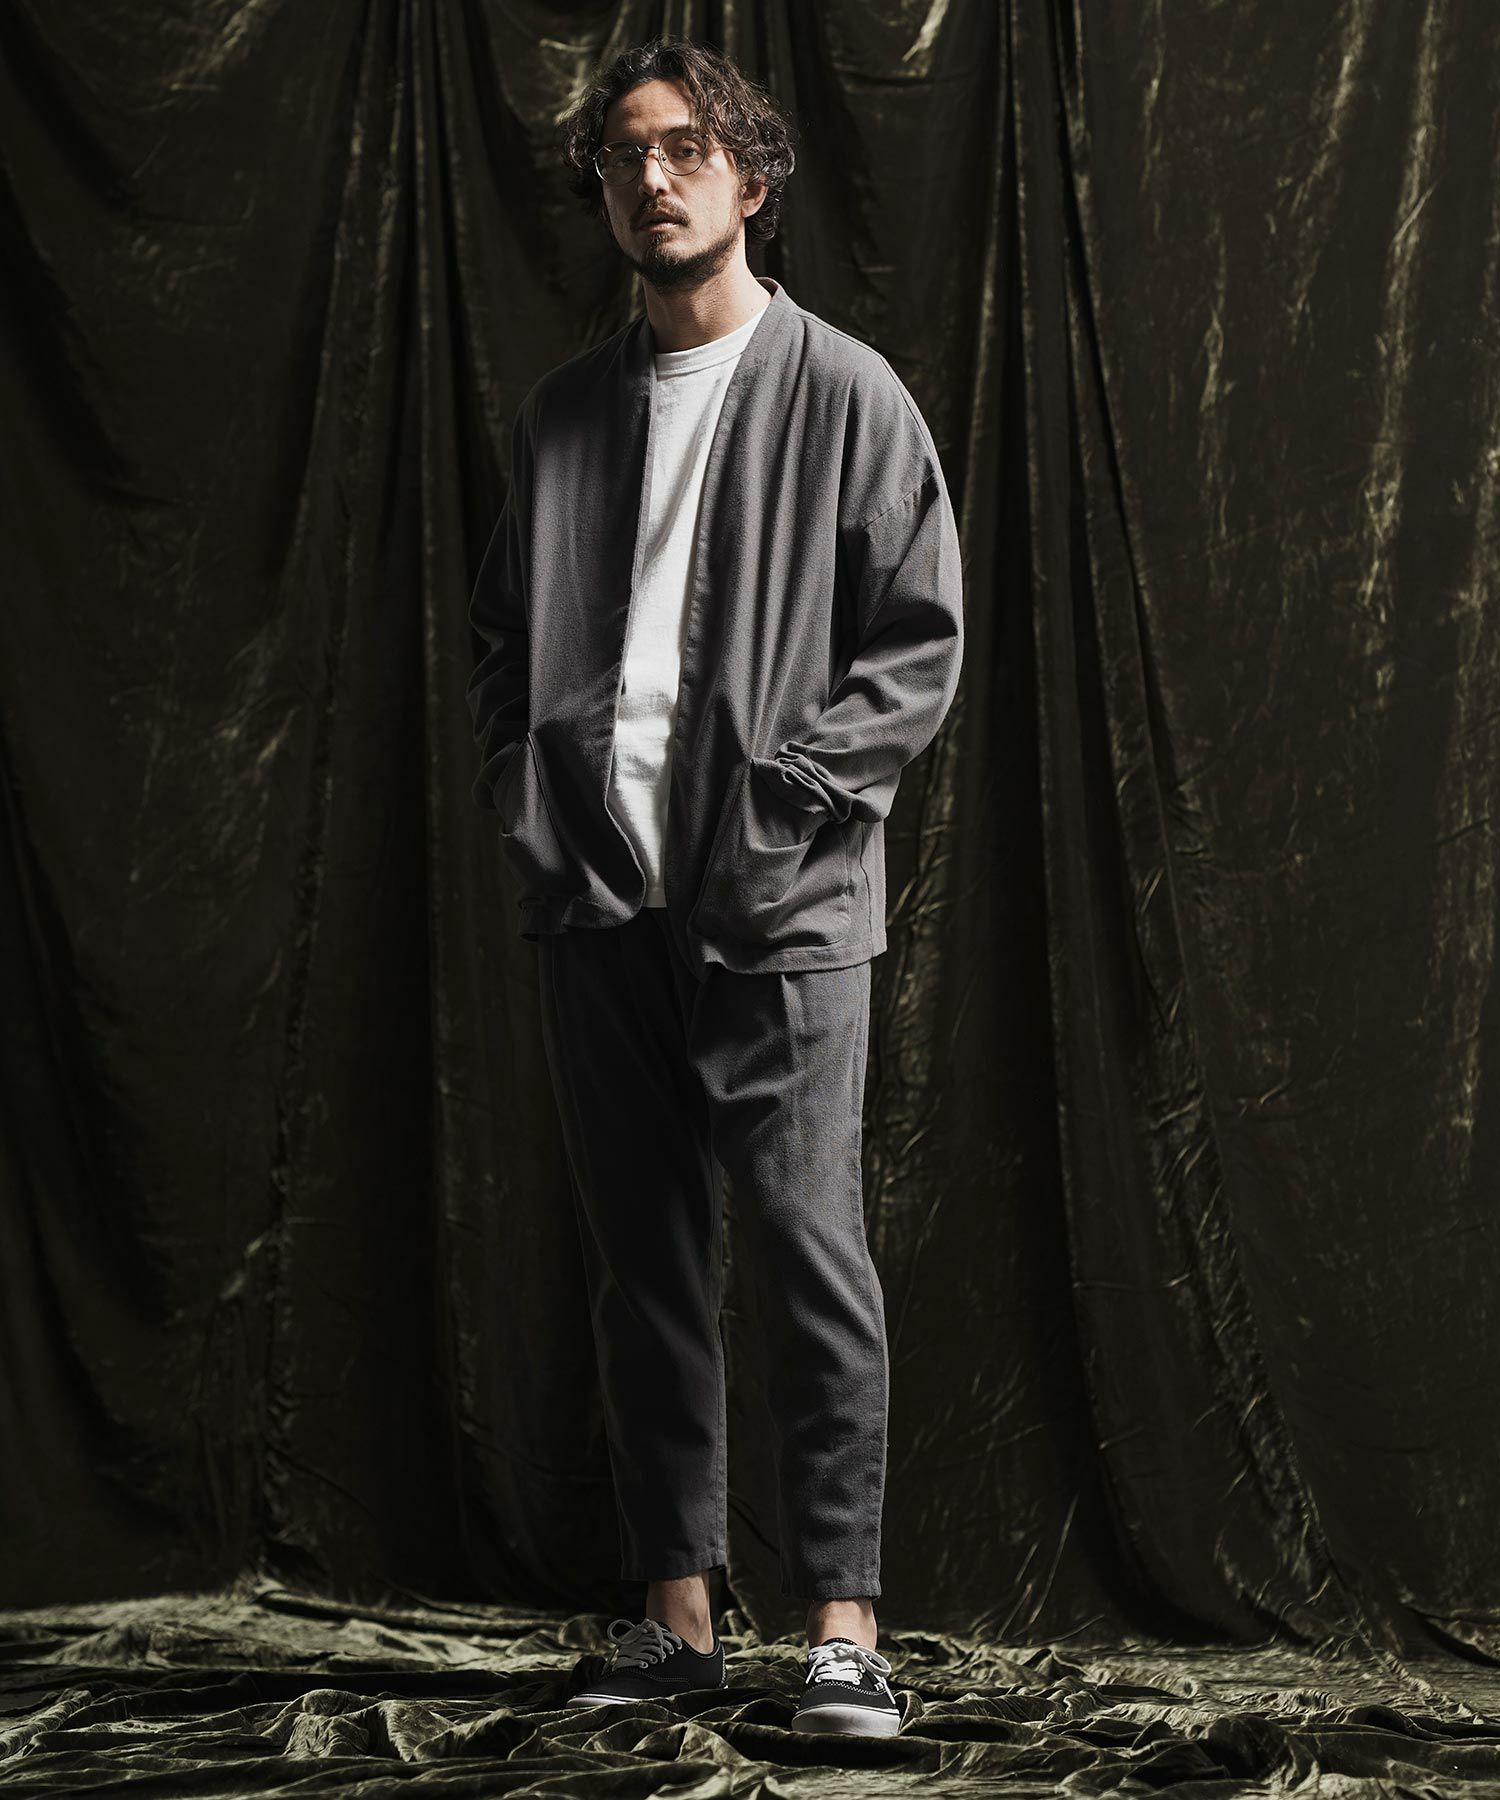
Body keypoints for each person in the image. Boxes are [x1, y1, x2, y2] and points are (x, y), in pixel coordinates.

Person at [465, 36, 964, 1739]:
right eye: (622, 156)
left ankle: (842, 1628)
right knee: (646, 1269)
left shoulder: (847, 394)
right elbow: (500, 644)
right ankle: (675, 1620)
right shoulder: (564, 417)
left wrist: (788, 805)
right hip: (599, 902)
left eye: (684, 147)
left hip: (782, 907)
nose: (651, 178)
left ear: (750, 178)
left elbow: (918, 640)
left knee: (811, 1249)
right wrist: (532, 799)